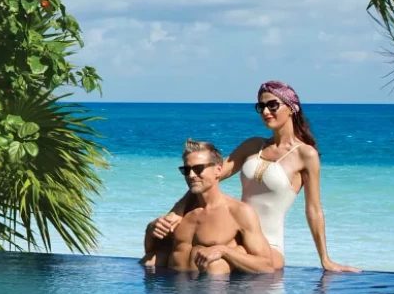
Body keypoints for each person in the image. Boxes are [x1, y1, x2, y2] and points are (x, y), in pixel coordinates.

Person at [191, 80, 358, 273]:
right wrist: (175, 213)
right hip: (235, 237)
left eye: (272, 105)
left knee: (214, 266)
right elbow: (209, 178)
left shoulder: (305, 155)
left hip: (269, 245)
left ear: (291, 108)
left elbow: (313, 209)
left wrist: (325, 260)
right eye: (260, 106)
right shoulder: (253, 145)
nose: (265, 111)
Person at [143, 139, 279, 275]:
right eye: (186, 170)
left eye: (198, 168)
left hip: (212, 290)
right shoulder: (180, 212)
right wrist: (150, 230)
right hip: (172, 288)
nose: (191, 175)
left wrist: (224, 250)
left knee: (215, 266)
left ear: (218, 170)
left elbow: (266, 266)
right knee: (148, 261)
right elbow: (153, 252)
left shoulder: (238, 212)